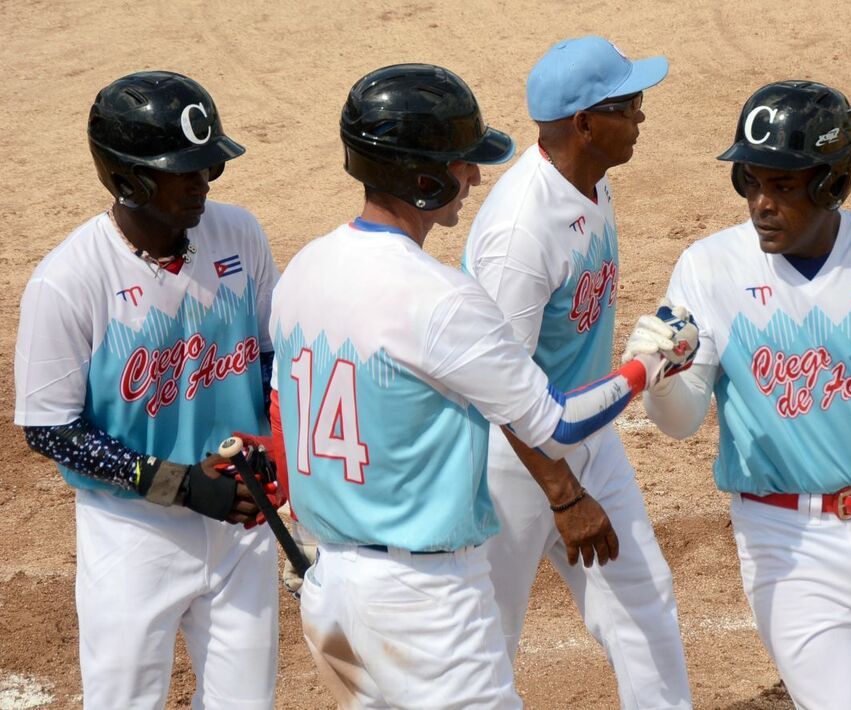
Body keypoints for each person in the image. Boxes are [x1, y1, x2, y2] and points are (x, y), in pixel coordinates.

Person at [266, 63, 694, 709]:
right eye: (462, 163)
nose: (474, 175)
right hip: (427, 596)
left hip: (335, 584)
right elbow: (553, 423)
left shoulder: (303, 268)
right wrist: (645, 367)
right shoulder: (439, 297)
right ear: (425, 176)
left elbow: (279, 408)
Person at [627, 80, 851, 709]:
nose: (761, 204)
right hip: (784, 540)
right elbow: (684, 421)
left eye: (784, 187)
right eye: (750, 183)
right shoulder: (710, 267)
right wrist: (660, 380)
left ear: (831, 182)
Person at [14, 71, 282, 709]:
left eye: (208, 165)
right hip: (134, 535)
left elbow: (271, 357)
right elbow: (49, 427)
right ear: (127, 177)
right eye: (183, 170)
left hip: (240, 521)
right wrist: (182, 484)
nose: (204, 182)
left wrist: (267, 445)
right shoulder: (69, 281)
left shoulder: (239, 235)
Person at [462, 36, 693, 708]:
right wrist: (565, 495)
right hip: (509, 464)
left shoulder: (591, 181)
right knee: (486, 643)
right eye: (629, 104)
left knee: (645, 606)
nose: (643, 116)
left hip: (587, 436)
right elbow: (496, 387)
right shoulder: (520, 233)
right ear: (584, 124)